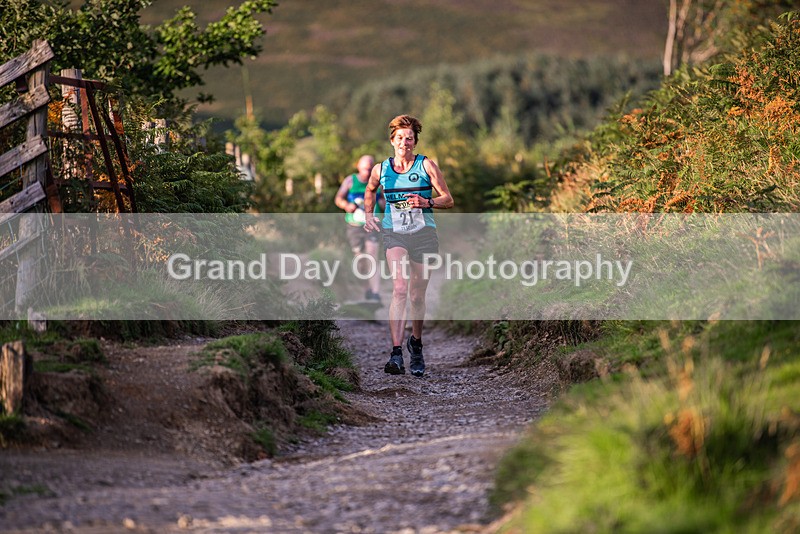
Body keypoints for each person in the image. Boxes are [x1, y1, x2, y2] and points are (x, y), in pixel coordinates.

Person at [363, 115, 454, 377]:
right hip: (395, 234)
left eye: (410, 138)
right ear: (392, 141)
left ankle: (416, 344)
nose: (406, 142)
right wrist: (369, 215)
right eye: (400, 137)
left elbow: (448, 199)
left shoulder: (426, 166)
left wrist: (427, 203)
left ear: (415, 141)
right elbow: (370, 190)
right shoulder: (382, 169)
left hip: (424, 234)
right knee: (400, 288)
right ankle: (395, 352)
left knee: (416, 295)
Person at [334, 155, 384, 303]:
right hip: (354, 226)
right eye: (365, 168)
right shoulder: (350, 181)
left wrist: (384, 204)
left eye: (370, 168)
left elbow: (382, 199)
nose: (367, 171)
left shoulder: (377, 182)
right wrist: (346, 206)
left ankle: (375, 293)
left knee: (372, 255)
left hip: (373, 224)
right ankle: (367, 289)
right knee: (361, 260)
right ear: (358, 167)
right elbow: (338, 199)